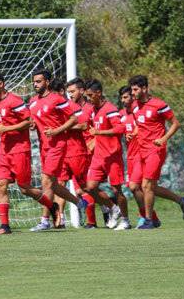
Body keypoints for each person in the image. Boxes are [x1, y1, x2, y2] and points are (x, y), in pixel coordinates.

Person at [0, 72, 63, 235]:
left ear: (1, 83)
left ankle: (52, 206)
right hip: (4, 150)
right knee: (0, 185)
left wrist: (7, 128)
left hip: (20, 150)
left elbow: (28, 122)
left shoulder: (15, 101)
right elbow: (5, 124)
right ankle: (4, 226)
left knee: (25, 189)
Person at [28, 69, 88, 232]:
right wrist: (32, 125)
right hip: (44, 147)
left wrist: (57, 131)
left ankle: (45, 220)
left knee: (46, 182)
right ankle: (79, 202)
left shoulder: (56, 99)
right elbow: (34, 120)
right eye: (34, 81)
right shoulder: (33, 101)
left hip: (57, 146)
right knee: (53, 184)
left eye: (39, 81)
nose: (35, 84)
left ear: (47, 82)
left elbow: (73, 119)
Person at [129, 75, 184, 229]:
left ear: (144, 88)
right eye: (132, 90)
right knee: (133, 186)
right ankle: (181, 200)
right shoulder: (134, 106)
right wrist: (134, 133)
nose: (133, 93)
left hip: (155, 150)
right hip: (141, 152)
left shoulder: (159, 105)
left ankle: (150, 220)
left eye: (135, 89)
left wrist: (163, 139)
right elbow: (140, 124)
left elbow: (176, 124)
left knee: (147, 186)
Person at [85, 79, 130, 230]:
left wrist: (99, 133)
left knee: (117, 190)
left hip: (112, 155)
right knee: (90, 187)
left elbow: (120, 128)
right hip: (99, 156)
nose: (88, 98)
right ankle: (113, 208)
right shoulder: (93, 110)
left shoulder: (110, 109)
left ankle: (125, 220)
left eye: (90, 95)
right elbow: (91, 126)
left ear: (98, 93)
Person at [119, 86, 161, 228]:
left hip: (142, 155)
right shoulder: (121, 115)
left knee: (136, 186)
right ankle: (152, 216)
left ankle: (146, 217)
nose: (123, 100)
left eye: (126, 97)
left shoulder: (140, 112)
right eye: (122, 98)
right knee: (143, 188)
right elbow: (117, 130)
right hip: (130, 157)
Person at [66, 78, 105, 228]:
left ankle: (92, 221)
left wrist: (93, 144)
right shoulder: (68, 109)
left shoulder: (90, 109)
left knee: (86, 188)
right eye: (68, 92)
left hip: (90, 154)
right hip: (76, 152)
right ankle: (105, 206)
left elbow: (98, 130)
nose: (70, 95)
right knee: (80, 190)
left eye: (73, 91)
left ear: (82, 91)